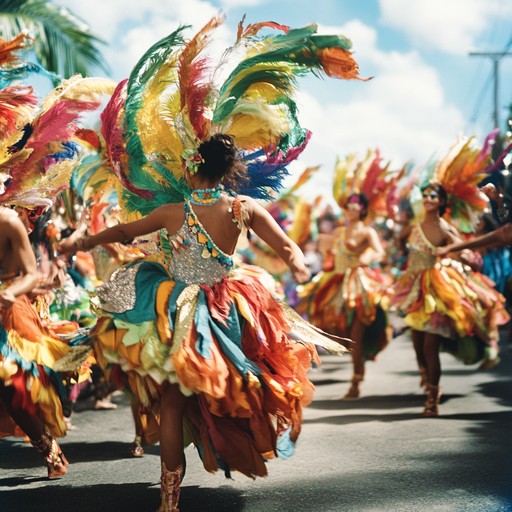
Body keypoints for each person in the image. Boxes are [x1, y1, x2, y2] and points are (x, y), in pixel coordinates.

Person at [59, 133, 344, 511]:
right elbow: (288, 246)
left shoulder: (172, 212)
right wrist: (297, 263)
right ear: (227, 171)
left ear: (191, 169)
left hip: (177, 314)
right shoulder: (244, 208)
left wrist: (83, 243)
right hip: (228, 312)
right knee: (240, 383)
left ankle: (169, 500)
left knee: (173, 406)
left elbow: (126, 232)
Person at [392, 182, 509, 416]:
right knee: (417, 344)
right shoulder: (413, 227)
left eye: (433, 195)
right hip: (415, 289)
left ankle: (432, 397)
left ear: (442, 201)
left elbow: (466, 253)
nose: (428, 198)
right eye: (425, 195)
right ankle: (426, 378)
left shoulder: (445, 229)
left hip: (437, 290)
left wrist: (462, 256)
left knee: (429, 345)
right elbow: (398, 242)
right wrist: (403, 253)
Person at [0, 206, 70, 478]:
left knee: (12, 389)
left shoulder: (7, 220)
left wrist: (10, 292)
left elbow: (31, 274)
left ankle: (50, 450)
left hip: (9, 314)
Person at [299, 192, 391, 399]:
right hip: (336, 285)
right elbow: (327, 250)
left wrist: (365, 255)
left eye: (356, 205)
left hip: (359, 284)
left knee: (356, 334)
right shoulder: (339, 231)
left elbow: (379, 252)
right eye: (348, 205)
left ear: (363, 209)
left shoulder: (367, 231)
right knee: (335, 331)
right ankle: (361, 356)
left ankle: (356, 380)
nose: (351, 208)